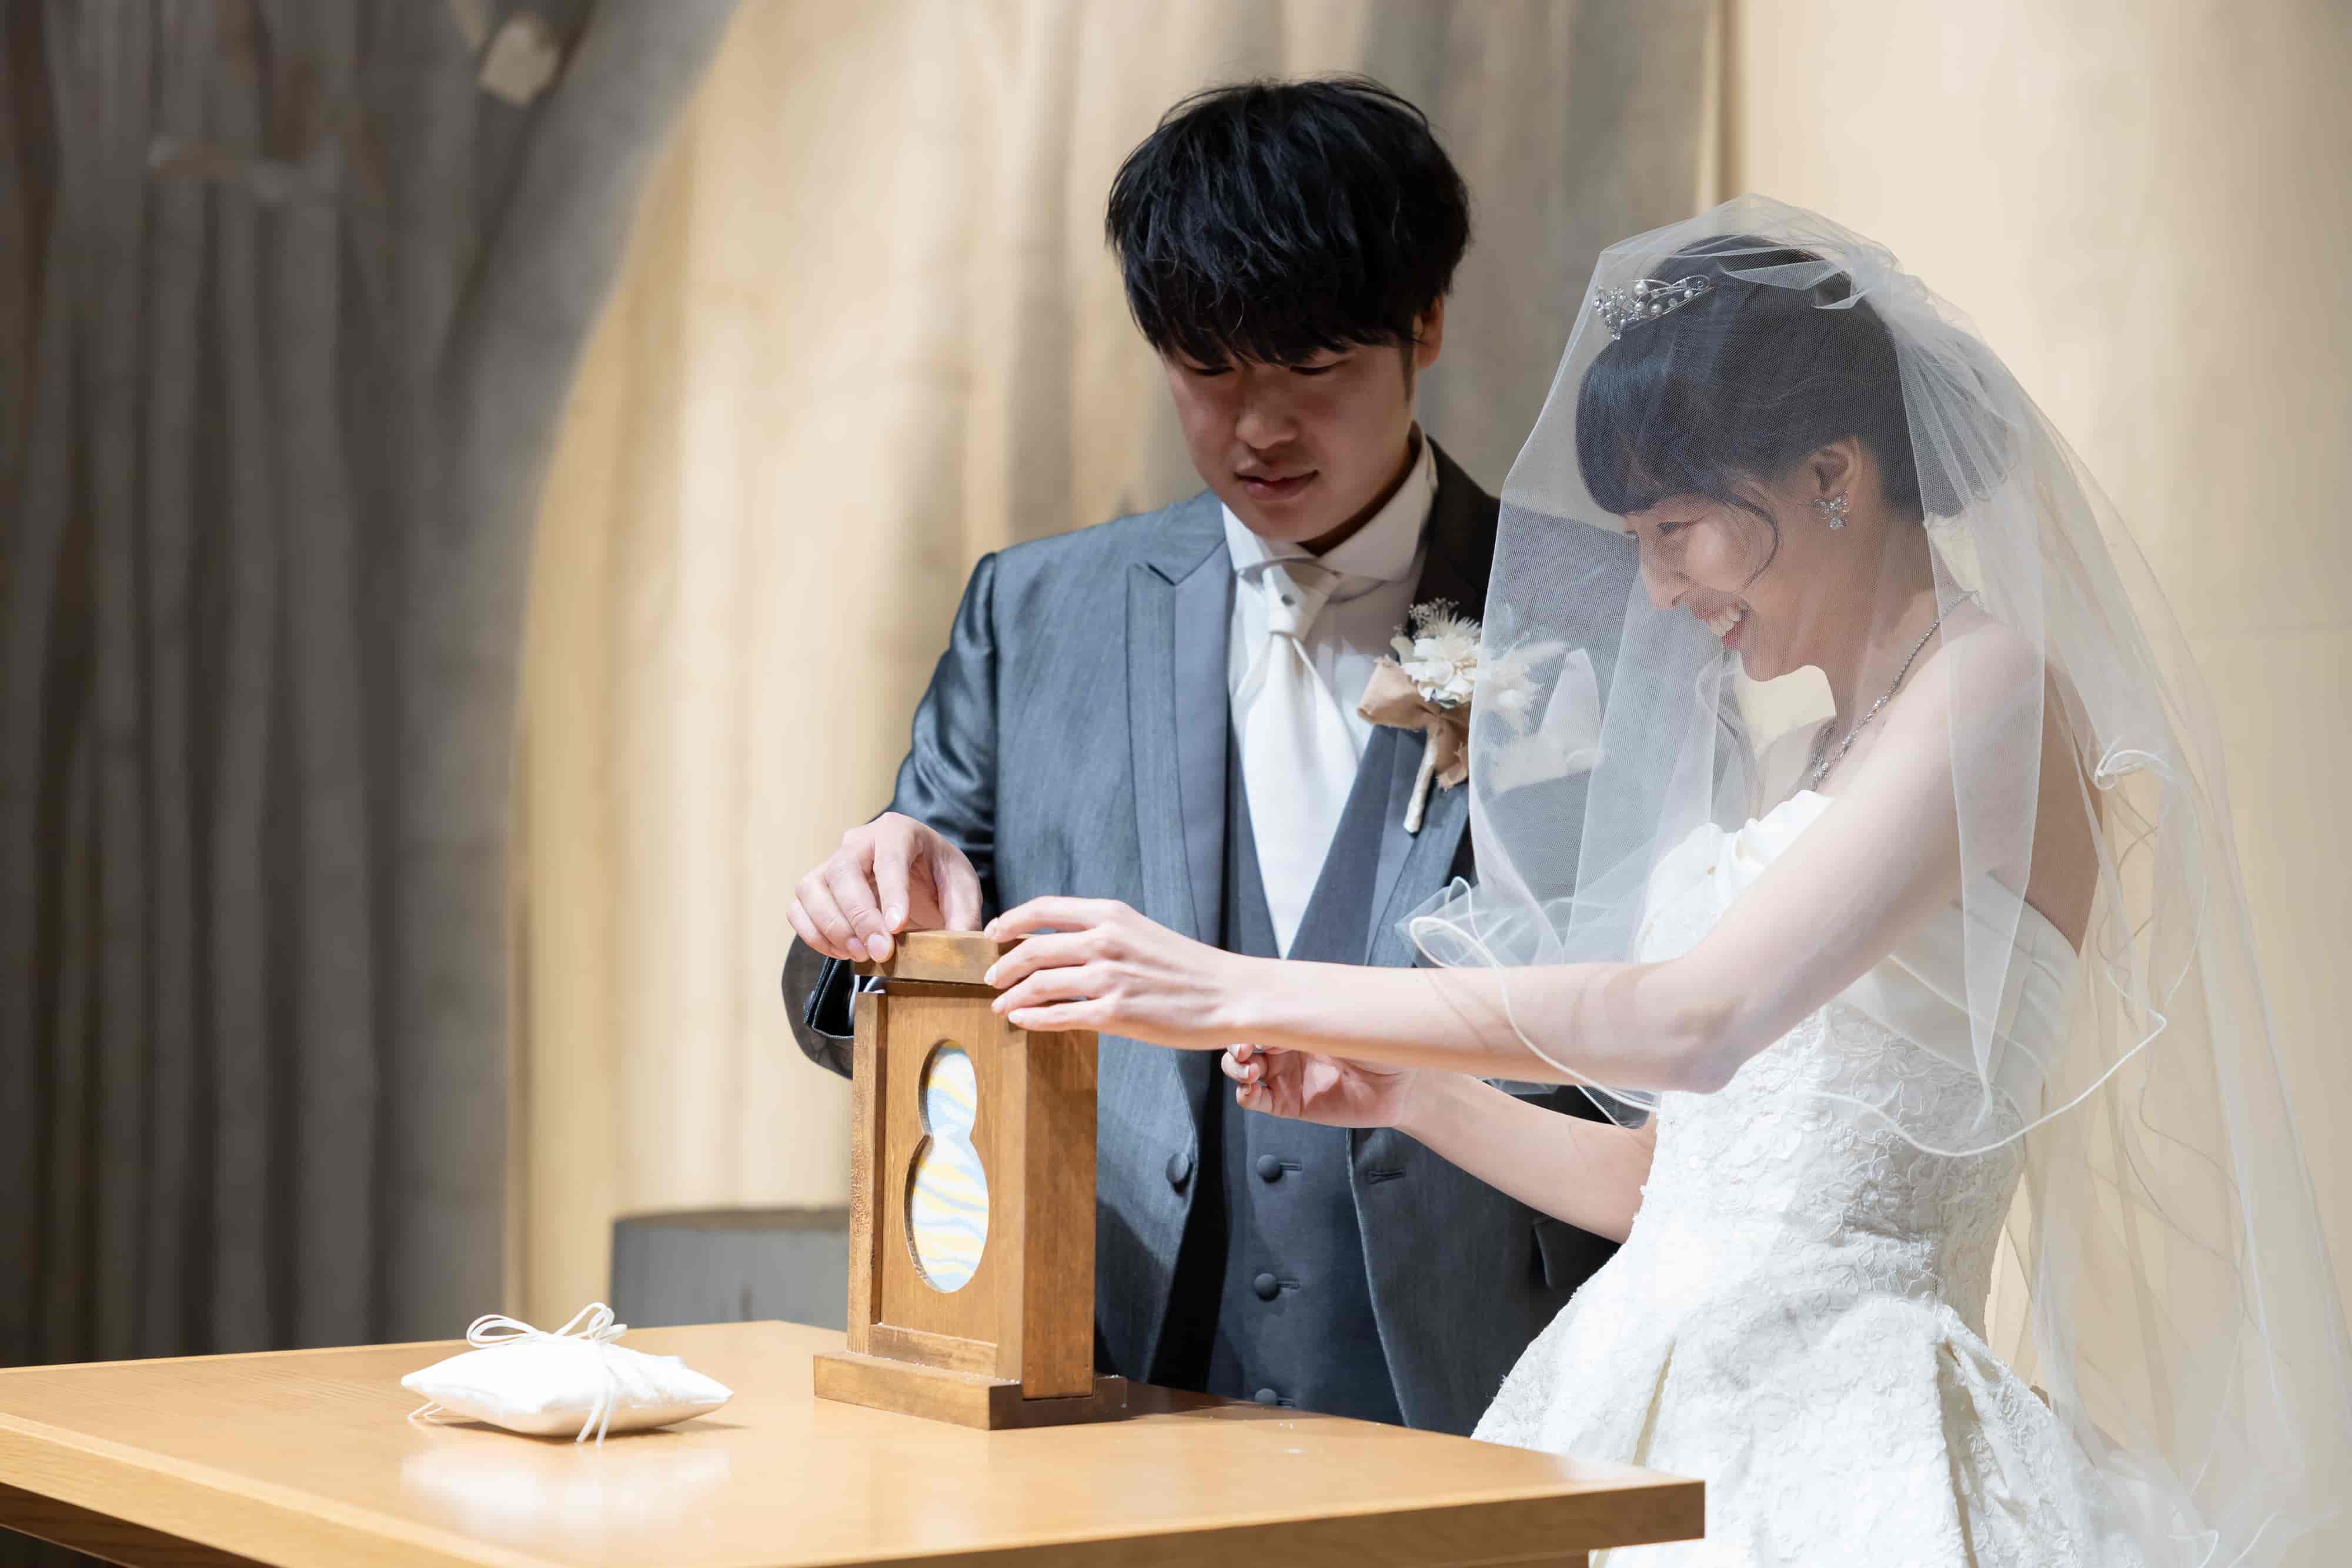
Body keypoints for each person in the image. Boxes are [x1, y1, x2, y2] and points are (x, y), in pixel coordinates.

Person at [979, 198, 2352, 1565]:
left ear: (1832, 474)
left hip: (1846, 1429)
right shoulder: (1815, 748)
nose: (1653, 587)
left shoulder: (1991, 694)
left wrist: (1231, 986)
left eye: (1675, 527)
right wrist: (1410, 1095)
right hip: (1655, 1386)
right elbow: (1675, 1186)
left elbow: (1694, 1022)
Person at [780, 77, 1639, 1431]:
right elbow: (862, 992)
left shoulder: (1608, 614)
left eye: (1310, 368)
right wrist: (872, 918)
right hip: (1100, 1376)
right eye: (1207, 369)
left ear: (1422, 324)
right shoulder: (1034, 612)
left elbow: (1666, 1021)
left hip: (1491, 1381)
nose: (1257, 426)